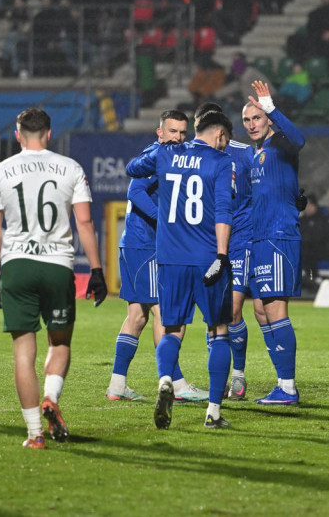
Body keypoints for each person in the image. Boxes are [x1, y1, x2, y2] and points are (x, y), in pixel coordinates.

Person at [0, 107, 108, 448]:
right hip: (58, 266)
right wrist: (97, 270)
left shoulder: (0, 171)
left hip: (17, 266)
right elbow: (85, 223)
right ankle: (51, 397)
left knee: (24, 352)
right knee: (60, 342)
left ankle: (35, 434)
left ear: (17, 134)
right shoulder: (70, 168)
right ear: (49, 134)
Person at [125, 110, 237, 429]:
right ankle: (213, 412)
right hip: (205, 258)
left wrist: (159, 149)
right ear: (218, 135)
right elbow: (223, 213)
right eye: (225, 139)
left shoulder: (167, 154)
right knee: (218, 332)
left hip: (170, 258)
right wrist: (222, 254)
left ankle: (165, 381)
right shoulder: (220, 162)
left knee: (172, 329)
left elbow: (133, 169)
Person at [108, 110, 207, 403]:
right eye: (173, 131)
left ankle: (117, 385)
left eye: (182, 132)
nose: (178, 137)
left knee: (136, 316)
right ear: (159, 132)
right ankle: (174, 383)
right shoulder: (157, 154)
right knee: (164, 312)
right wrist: (163, 221)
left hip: (138, 245)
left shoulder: (171, 155)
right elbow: (136, 191)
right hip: (146, 246)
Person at [242, 80, 305, 405]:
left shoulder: (281, 143)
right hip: (260, 240)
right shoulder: (257, 156)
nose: (252, 124)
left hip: (279, 237)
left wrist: (272, 108)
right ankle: (283, 382)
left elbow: (300, 138)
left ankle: (289, 387)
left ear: (267, 119)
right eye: (247, 120)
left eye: (257, 117)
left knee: (275, 308)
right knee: (260, 310)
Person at [193, 102, 256, 402]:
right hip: (207, 244)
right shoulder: (192, 156)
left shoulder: (243, 154)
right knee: (211, 315)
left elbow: (264, 188)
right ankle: (216, 380)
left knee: (231, 311)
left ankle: (239, 374)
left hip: (239, 241)